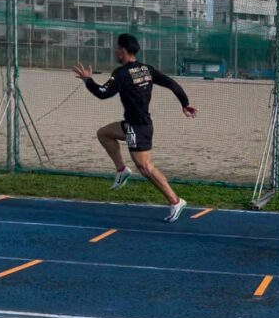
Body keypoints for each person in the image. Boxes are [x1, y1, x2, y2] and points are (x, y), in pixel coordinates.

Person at [72, 33, 197, 223]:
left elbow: (103, 93)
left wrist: (88, 80)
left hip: (137, 127)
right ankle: (121, 170)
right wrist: (185, 103)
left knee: (146, 168)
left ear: (123, 50)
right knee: (104, 133)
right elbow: (172, 83)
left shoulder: (121, 73)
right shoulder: (146, 69)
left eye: (116, 48)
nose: (115, 51)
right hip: (135, 125)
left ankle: (175, 201)